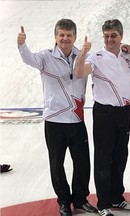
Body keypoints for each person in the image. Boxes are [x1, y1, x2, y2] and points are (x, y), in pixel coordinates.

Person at [17, 19, 97, 216]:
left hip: (77, 119)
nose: (65, 38)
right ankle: (63, 201)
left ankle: (80, 199)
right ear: (55, 37)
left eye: (69, 35)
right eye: (61, 35)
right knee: (56, 163)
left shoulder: (83, 56)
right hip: (54, 120)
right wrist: (21, 44)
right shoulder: (45, 57)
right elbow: (28, 58)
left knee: (82, 162)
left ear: (75, 37)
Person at [74, 19, 130, 216]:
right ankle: (103, 204)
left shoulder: (127, 56)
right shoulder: (96, 57)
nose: (109, 39)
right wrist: (83, 53)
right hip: (104, 114)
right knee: (103, 159)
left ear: (121, 36)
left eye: (113, 36)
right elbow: (78, 73)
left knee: (120, 156)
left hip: (124, 112)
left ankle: (117, 197)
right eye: (106, 36)